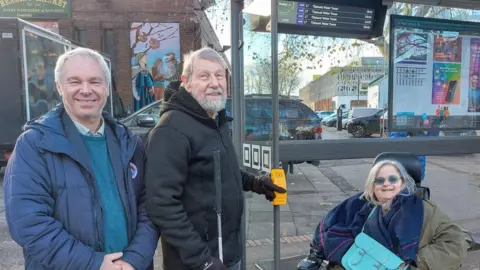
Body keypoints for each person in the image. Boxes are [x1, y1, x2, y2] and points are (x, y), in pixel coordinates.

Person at [3, 47, 159, 270]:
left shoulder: (130, 144)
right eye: (74, 81)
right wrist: (94, 264)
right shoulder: (34, 145)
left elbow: (149, 209)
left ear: (107, 88)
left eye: (95, 82)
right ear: (59, 87)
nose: (86, 90)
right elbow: (29, 223)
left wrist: (133, 260)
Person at [145, 47, 286, 270]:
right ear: (186, 82)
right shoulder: (171, 129)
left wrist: (256, 183)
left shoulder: (215, 120)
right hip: (198, 263)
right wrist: (203, 261)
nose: (214, 82)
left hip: (227, 256)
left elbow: (222, 171)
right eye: (204, 75)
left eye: (219, 75)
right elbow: (162, 205)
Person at [297, 159, 467, 270]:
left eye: (392, 179)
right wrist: (316, 255)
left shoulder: (424, 210)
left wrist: (414, 264)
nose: (386, 184)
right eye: (379, 180)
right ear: (372, 185)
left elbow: (455, 243)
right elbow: (325, 229)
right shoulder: (354, 206)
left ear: (402, 183)